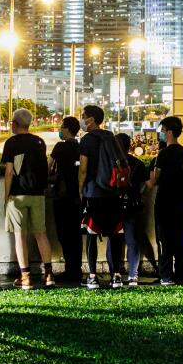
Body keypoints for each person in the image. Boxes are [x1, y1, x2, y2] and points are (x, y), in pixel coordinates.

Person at [1, 109, 52, 289]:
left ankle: (26, 277)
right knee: (41, 234)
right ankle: (49, 275)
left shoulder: (11, 143)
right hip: (37, 193)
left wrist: (6, 196)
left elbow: (8, 172)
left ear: (15, 123)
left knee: (19, 236)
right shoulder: (39, 142)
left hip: (17, 194)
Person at [77, 105, 126, 288]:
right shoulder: (111, 136)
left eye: (83, 116)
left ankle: (92, 276)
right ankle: (116, 276)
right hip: (113, 192)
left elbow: (83, 169)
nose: (82, 119)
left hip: (93, 192)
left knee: (91, 234)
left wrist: (80, 189)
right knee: (115, 234)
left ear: (90, 119)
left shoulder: (87, 140)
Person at [147, 116, 183, 286]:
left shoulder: (164, 154)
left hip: (164, 200)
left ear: (169, 132)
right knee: (179, 237)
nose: (161, 133)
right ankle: (181, 274)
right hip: (179, 201)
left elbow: (154, 181)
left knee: (164, 238)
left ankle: (166, 275)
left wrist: (145, 178)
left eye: (163, 130)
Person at [49, 116, 83, 284]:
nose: (60, 130)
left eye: (62, 127)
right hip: (77, 197)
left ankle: (70, 271)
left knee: (64, 234)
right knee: (76, 235)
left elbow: (49, 167)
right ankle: (76, 270)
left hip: (62, 196)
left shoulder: (60, 147)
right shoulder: (80, 147)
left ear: (68, 129)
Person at [115, 131, 149, 287]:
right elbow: (145, 186)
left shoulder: (111, 163)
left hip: (114, 204)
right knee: (132, 241)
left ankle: (114, 273)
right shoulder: (138, 164)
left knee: (113, 240)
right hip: (132, 206)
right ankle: (133, 275)